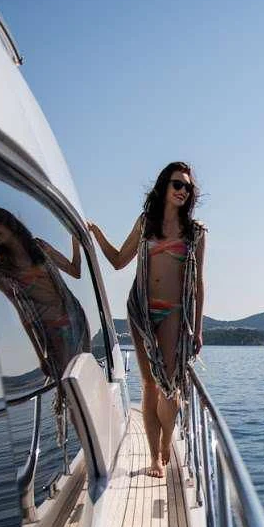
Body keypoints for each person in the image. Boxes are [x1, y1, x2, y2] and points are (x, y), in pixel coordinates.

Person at [88, 162, 206, 479]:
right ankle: (154, 458)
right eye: (177, 185)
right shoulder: (145, 224)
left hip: (173, 314)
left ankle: (167, 443)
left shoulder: (195, 233)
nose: (183, 191)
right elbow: (116, 261)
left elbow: (199, 284)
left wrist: (198, 329)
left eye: (188, 187)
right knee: (148, 385)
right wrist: (97, 235)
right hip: (140, 310)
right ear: (164, 187)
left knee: (169, 388)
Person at [0, 204, 90, 438]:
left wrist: (76, 241)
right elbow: (22, 314)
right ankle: (89, 447)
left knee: (82, 383)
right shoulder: (0, 271)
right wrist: (40, 355)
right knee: (73, 393)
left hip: (76, 322)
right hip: (53, 335)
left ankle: (93, 445)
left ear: (7, 221)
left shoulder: (39, 247)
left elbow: (75, 271)